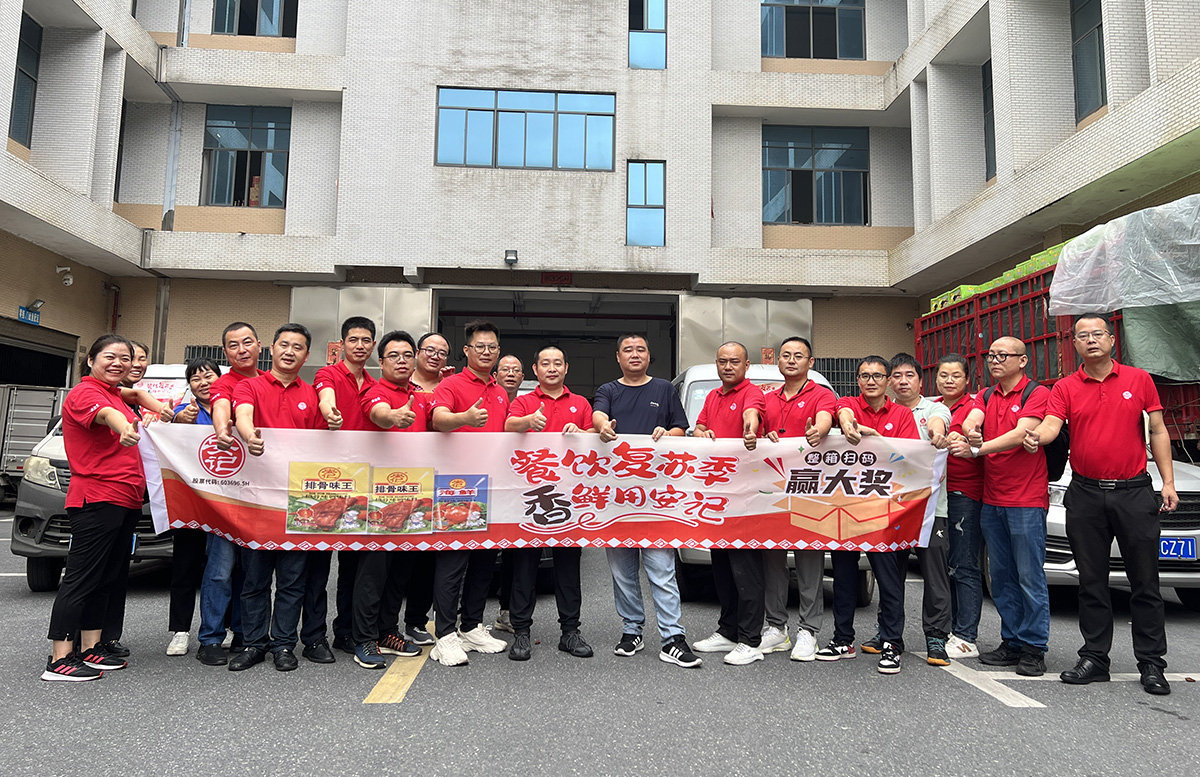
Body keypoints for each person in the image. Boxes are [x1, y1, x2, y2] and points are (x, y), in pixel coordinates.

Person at [1025, 314, 1179, 695]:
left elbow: (1157, 430)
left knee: (1145, 582)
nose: (1091, 340)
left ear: (1112, 340)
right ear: (1074, 344)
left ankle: (1151, 663)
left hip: (1133, 492)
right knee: (1091, 581)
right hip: (1086, 494)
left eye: (1098, 334)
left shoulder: (1138, 380)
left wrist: (1168, 483)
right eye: (1083, 335)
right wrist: (1036, 437)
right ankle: (1095, 657)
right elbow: (1052, 425)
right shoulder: (1065, 387)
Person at [41, 336, 168, 681]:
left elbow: (134, 395)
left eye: (125, 358)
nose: (119, 363)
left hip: (125, 498)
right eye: (110, 357)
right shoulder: (86, 393)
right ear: (91, 360)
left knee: (106, 578)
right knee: (82, 577)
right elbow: (108, 415)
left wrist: (161, 408)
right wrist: (125, 429)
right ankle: (60, 658)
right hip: (98, 498)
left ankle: (91, 647)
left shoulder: (114, 392)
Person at [593, 333, 701, 668]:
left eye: (641, 349)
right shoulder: (608, 390)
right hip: (616, 498)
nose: (635, 354)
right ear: (618, 357)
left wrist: (668, 434)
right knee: (622, 571)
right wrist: (603, 427)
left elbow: (681, 428)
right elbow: (598, 417)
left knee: (661, 569)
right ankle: (631, 630)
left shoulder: (664, 389)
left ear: (649, 355)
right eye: (628, 350)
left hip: (657, 498)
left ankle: (673, 638)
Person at [949, 336, 1051, 677]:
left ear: (1022, 360)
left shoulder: (1035, 393)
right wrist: (971, 430)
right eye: (991, 355)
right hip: (992, 499)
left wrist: (978, 449)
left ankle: (1034, 646)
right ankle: (1012, 641)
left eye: (1003, 355)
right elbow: (972, 418)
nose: (994, 360)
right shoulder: (987, 395)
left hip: (1026, 500)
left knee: (1029, 576)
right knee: (1002, 576)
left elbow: (1021, 434)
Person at [230, 323, 329, 672]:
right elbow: (242, 415)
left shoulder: (312, 395)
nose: (289, 352)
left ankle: (284, 645)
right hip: (257, 500)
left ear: (306, 354)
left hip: (297, 503)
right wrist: (249, 435)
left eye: (297, 347)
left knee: (292, 582)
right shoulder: (249, 386)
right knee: (254, 581)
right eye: (284, 345)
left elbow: (319, 446)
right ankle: (254, 644)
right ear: (271, 348)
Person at [820, 356, 919, 674]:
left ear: (888, 380)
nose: (871, 381)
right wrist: (849, 425)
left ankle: (892, 643)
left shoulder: (902, 415)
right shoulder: (849, 404)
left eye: (877, 375)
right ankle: (842, 639)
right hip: (846, 508)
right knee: (844, 576)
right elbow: (842, 411)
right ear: (858, 380)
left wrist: (874, 435)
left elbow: (910, 457)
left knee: (889, 580)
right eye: (865, 376)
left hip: (885, 511)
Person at [503, 345, 595, 661]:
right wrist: (528, 420)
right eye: (545, 363)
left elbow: (594, 437)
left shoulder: (581, 403)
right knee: (524, 566)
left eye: (557, 363)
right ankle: (521, 632)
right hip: (531, 497)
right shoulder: (524, 402)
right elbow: (508, 426)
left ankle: (570, 632)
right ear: (536, 369)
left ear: (566, 368)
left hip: (569, 499)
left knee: (568, 566)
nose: (552, 368)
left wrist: (581, 432)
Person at [428, 320, 511, 666]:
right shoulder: (451, 384)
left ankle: (472, 625)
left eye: (492, 347)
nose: (487, 352)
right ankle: (445, 634)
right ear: (466, 350)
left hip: (493, 485)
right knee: (453, 561)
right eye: (480, 346)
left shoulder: (501, 391)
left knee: (484, 561)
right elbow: (438, 419)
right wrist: (464, 417)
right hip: (456, 487)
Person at [349, 330, 431, 669]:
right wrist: (394, 417)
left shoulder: (420, 396)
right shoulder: (374, 391)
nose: (402, 361)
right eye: (394, 355)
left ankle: (387, 631)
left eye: (407, 355)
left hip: (413, 499)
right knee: (373, 572)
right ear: (381, 362)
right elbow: (379, 413)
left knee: (400, 573)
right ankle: (364, 638)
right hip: (378, 502)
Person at [754, 336, 836, 662]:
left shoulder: (821, 394)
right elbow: (755, 432)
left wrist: (819, 431)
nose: (791, 360)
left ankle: (809, 631)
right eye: (786, 355)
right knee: (771, 558)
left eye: (798, 355)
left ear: (810, 362)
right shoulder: (766, 398)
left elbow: (825, 420)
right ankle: (776, 627)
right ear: (778, 361)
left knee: (809, 558)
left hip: (809, 488)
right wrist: (763, 435)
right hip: (772, 489)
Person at [869, 353, 954, 666]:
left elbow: (939, 424)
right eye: (897, 376)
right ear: (889, 381)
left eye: (909, 375)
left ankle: (936, 637)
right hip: (889, 507)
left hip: (931, 507)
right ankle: (888, 633)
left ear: (920, 380)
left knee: (934, 574)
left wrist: (935, 433)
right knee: (890, 574)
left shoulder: (934, 409)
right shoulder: (883, 411)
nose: (903, 381)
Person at [690, 342, 768, 666]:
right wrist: (700, 433)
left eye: (735, 361)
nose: (728, 366)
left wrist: (750, 431)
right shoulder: (712, 396)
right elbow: (699, 426)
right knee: (722, 567)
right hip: (717, 496)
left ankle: (751, 640)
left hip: (746, 497)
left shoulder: (753, 393)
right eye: (722, 361)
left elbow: (752, 416)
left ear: (746, 365)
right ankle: (728, 630)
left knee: (746, 569)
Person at [196, 323, 267, 664]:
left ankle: (243, 633)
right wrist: (222, 430)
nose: (242, 349)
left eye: (247, 342)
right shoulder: (223, 384)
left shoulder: (268, 381)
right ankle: (210, 639)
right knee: (220, 570)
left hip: (263, 495)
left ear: (259, 346)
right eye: (233, 345)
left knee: (252, 572)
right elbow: (222, 407)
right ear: (225, 352)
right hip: (226, 495)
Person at [314, 317, 379, 655]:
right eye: (353, 339)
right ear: (341, 344)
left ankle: (346, 631)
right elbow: (325, 398)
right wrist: (330, 412)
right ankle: (315, 636)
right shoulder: (328, 374)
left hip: (364, 484)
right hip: (329, 482)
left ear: (373, 346)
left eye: (366, 340)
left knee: (355, 563)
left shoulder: (375, 383)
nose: (360, 345)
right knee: (320, 564)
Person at [164, 358, 223, 657]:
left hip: (225, 505)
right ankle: (180, 631)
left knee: (223, 570)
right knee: (185, 567)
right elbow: (168, 427)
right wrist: (179, 421)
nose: (203, 382)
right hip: (189, 503)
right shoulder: (183, 410)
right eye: (195, 378)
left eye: (208, 376)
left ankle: (223, 626)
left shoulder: (231, 409)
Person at [400, 332, 452, 648]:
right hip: (402, 482)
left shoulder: (449, 387)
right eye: (430, 350)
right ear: (418, 353)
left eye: (442, 352)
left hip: (442, 481)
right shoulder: (402, 385)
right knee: (399, 557)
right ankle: (383, 624)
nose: (435, 356)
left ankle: (416, 621)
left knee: (428, 557)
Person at [936, 354, 985, 659]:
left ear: (967, 379)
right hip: (935, 496)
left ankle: (966, 635)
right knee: (945, 565)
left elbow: (978, 437)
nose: (949, 380)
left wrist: (969, 437)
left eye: (956, 375)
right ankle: (950, 628)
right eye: (943, 375)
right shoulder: (934, 408)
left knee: (964, 563)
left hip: (964, 493)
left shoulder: (977, 406)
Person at [492, 353, 525, 633]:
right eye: (505, 369)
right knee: (479, 552)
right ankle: (466, 617)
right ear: (495, 375)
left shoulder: (527, 405)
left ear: (523, 377)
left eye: (516, 370)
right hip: (488, 484)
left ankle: (506, 611)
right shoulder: (487, 400)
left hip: (518, 489)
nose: (511, 374)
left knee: (514, 553)